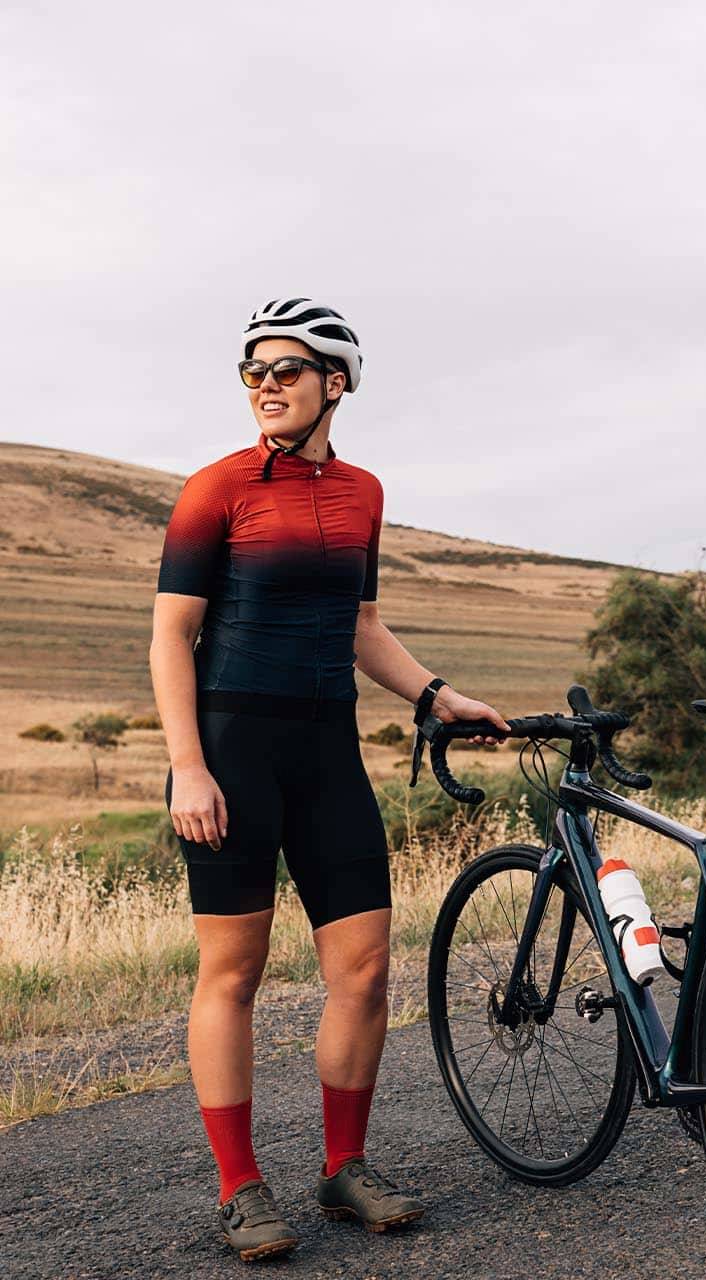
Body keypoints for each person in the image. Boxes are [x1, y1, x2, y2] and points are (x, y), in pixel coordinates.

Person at [149, 297, 511, 1262]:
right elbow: (171, 635)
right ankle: (241, 1188)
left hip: (328, 748)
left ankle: (343, 1167)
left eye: (285, 369)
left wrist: (439, 695)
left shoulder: (362, 494)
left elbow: (359, 626)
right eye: (252, 371)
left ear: (334, 384)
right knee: (234, 973)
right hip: (232, 745)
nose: (264, 384)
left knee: (362, 969)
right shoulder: (214, 489)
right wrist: (188, 765)